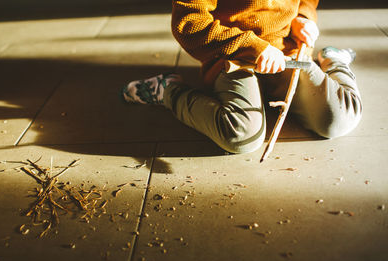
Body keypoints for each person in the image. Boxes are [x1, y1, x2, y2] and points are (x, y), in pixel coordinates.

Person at [121, 0, 362, 154]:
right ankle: (169, 90)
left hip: (286, 50)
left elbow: (306, 2)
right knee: (241, 136)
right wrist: (251, 47)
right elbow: (189, 22)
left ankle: (334, 61)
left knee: (339, 118)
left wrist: (303, 16)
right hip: (233, 56)